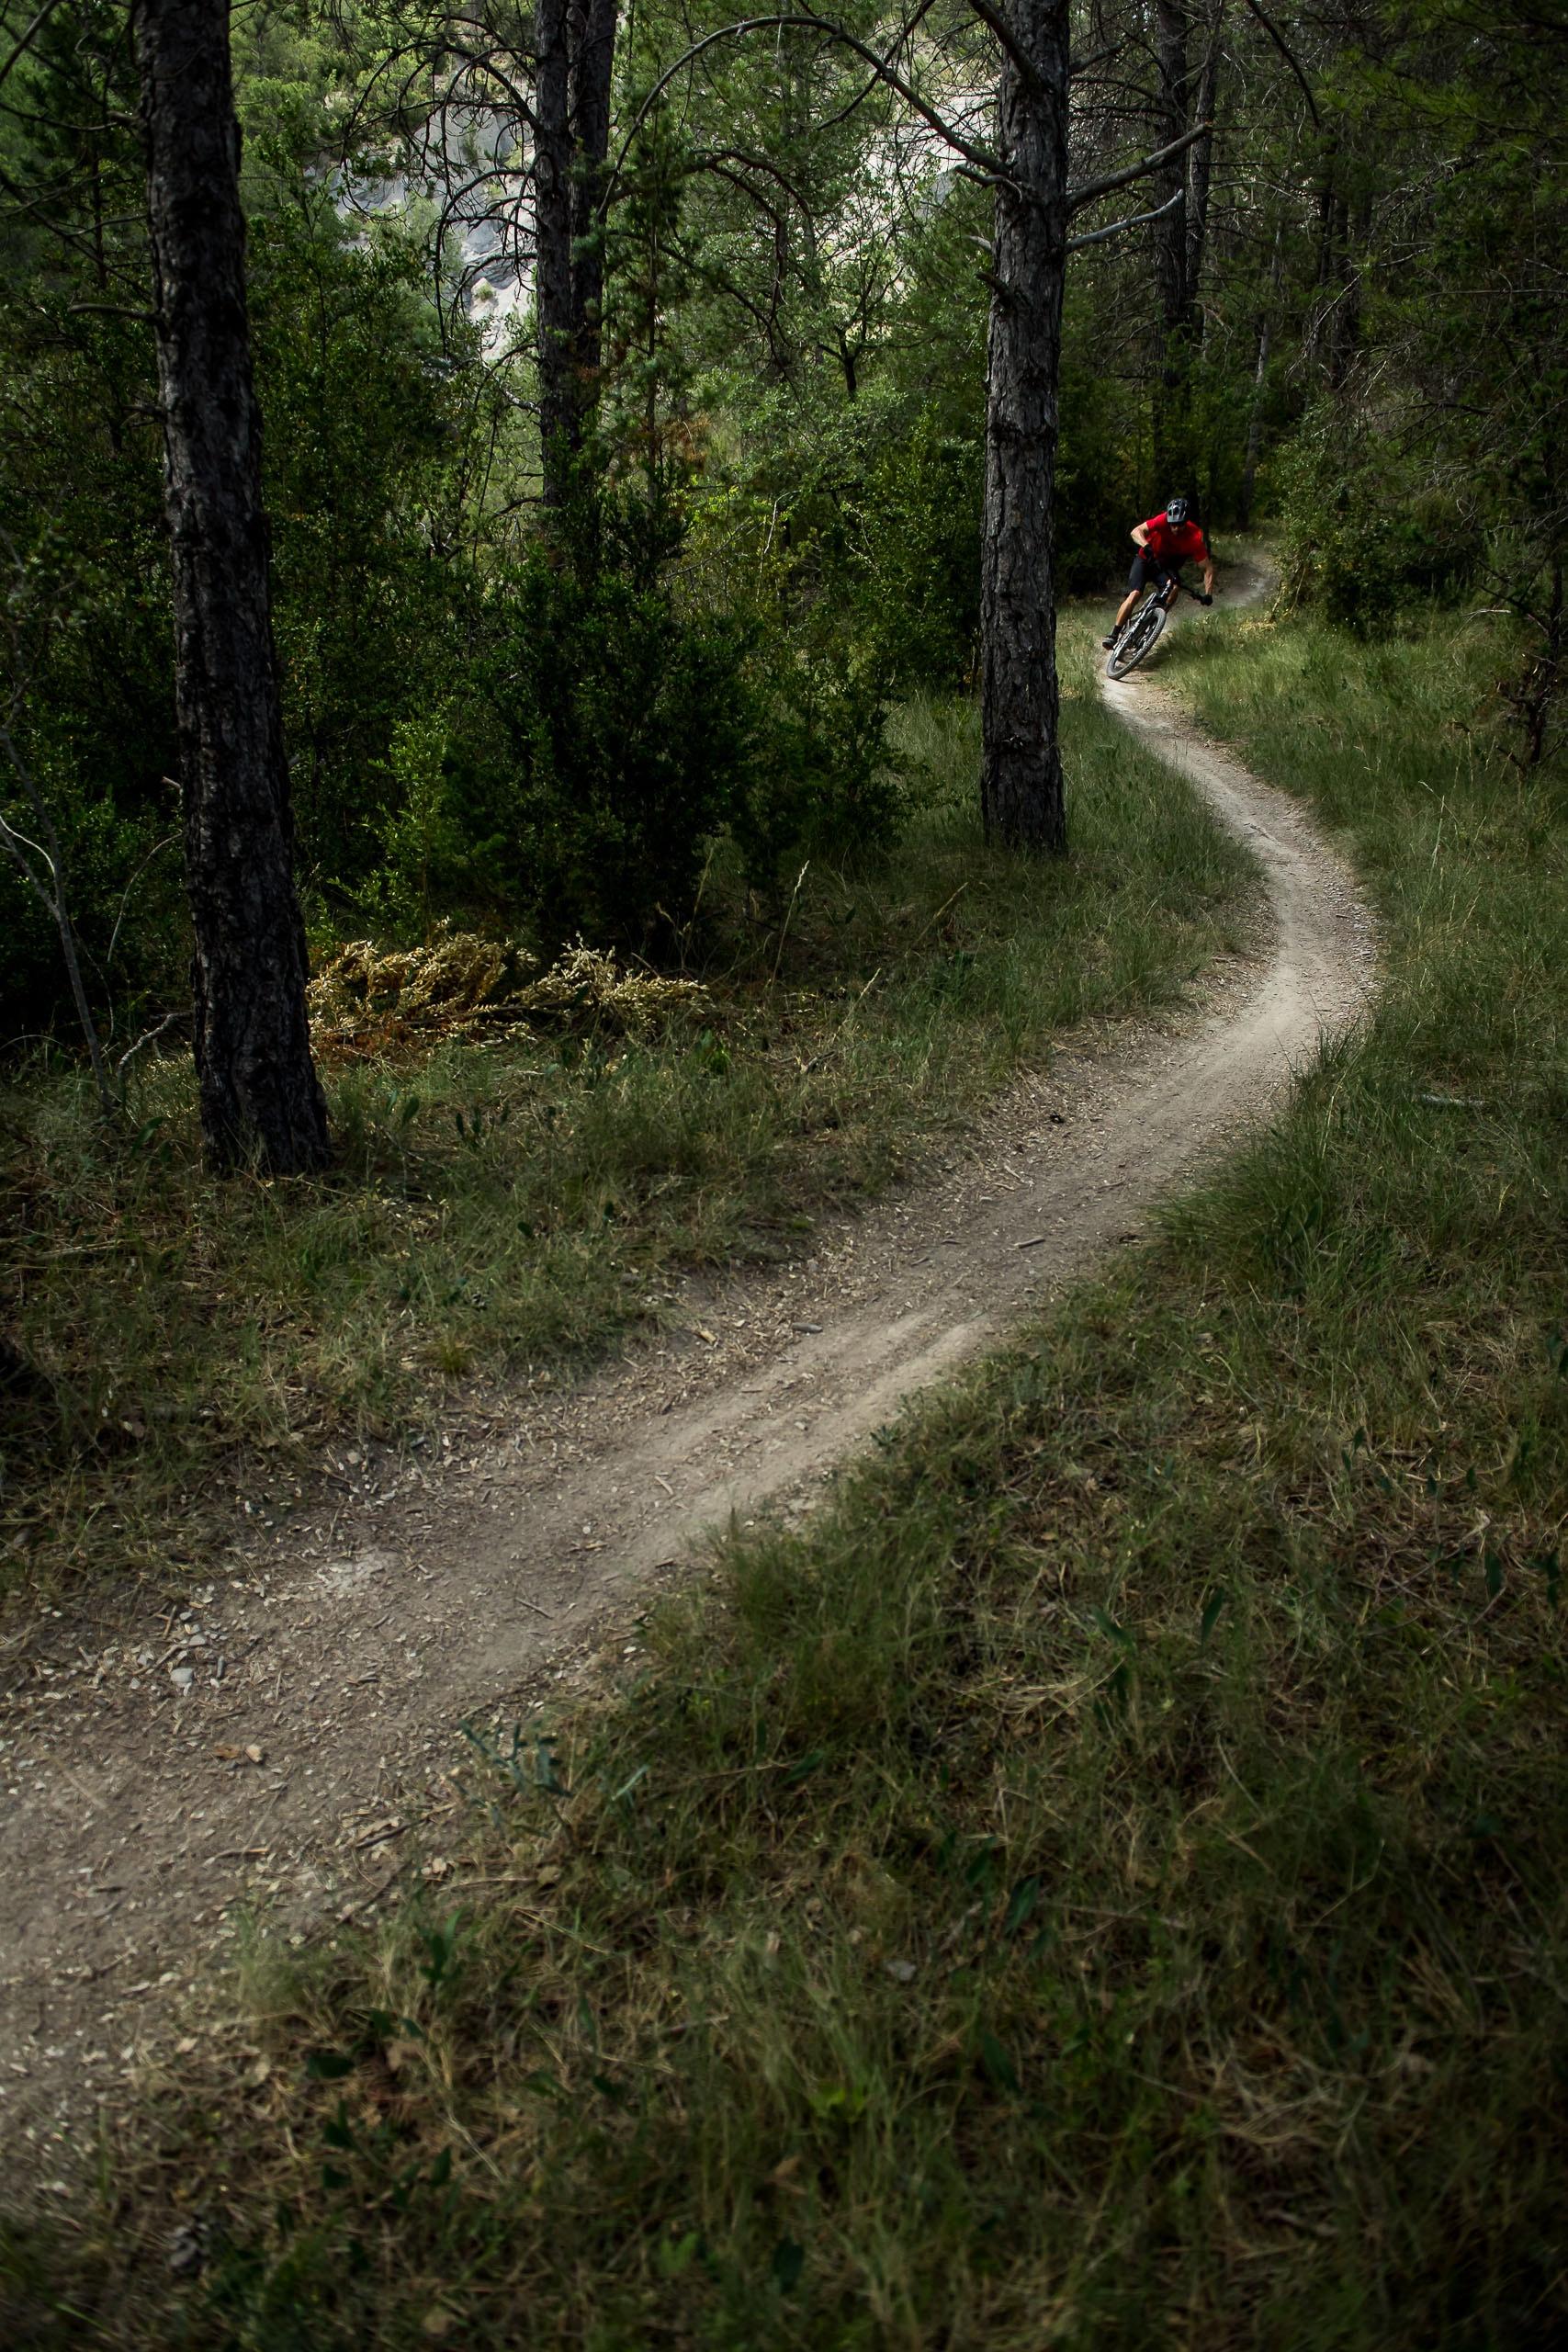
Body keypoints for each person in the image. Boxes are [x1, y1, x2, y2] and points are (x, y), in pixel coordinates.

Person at [1104, 495, 1215, 648]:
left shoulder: (1194, 537)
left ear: (1186, 522)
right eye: (1173, 524)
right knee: (1135, 594)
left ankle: (1154, 620)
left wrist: (1208, 594)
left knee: (1174, 588)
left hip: (1165, 566)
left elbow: (1207, 568)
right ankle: (1114, 634)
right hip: (1146, 559)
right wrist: (1146, 545)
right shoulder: (1162, 520)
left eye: (1180, 525)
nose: (1175, 528)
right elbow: (1136, 531)